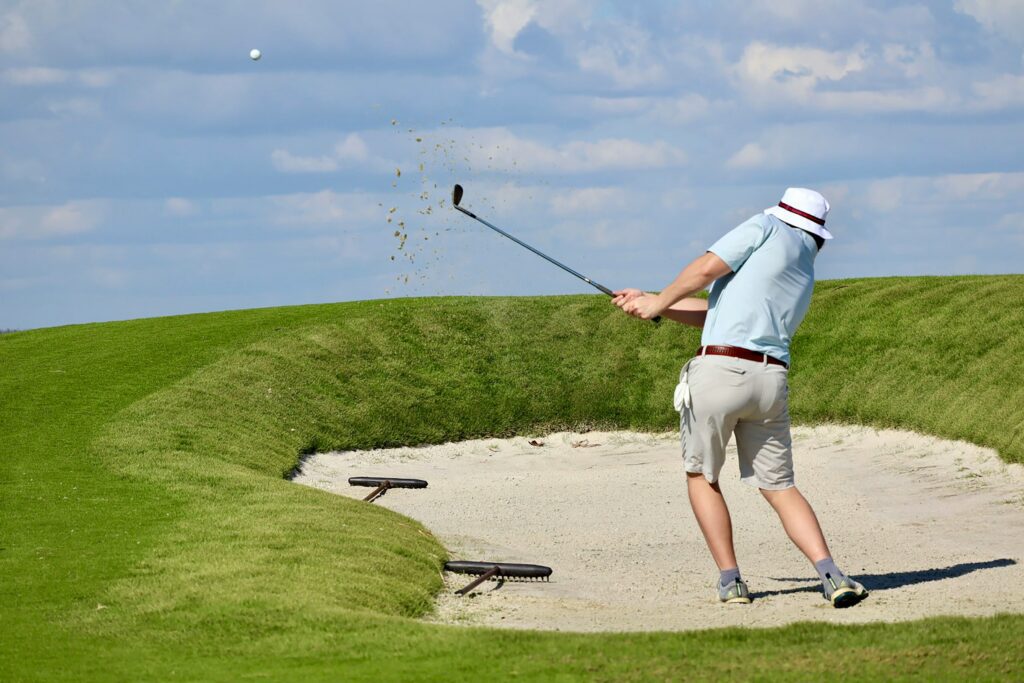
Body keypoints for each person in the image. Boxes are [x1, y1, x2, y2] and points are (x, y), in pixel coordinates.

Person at [612, 188, 868, 608]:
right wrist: (653, 304)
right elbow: (714, 313)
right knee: (780, 486)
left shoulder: (765, 226)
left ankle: (731, 581)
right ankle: (832, 575)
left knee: (702, 476)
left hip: (719, 374)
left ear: (783, 214)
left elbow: (705, 269)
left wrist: (659, 300)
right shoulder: (803, 265)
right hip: (769, 381)